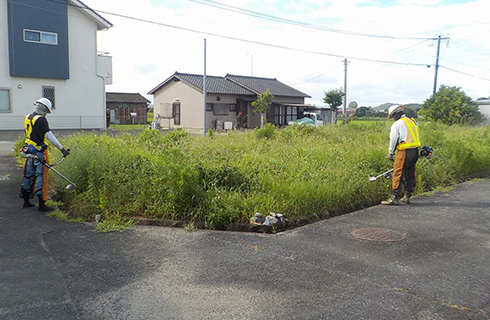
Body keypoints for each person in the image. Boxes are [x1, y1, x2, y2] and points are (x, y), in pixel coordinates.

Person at [20, 98, 70, 211]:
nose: (46, 113)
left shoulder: (27, 117)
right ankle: (42, 205)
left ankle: (26, 201)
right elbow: (49, 135)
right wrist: (61, 149)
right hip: (38, 153)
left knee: (28, 176)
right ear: (44, 109)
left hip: (28, 151)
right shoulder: (41, 120)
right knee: (41, 177)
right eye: (47, 110)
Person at [381, 104, 421, 205]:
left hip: (404, 151)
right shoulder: (412, 121)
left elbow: (393, 139)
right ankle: (407, 196)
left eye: (393, 116)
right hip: (415, 151)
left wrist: (390, 152)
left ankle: (394, 198)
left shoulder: (397, 124)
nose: (393, 118)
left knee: (398, 173)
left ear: (395, 114)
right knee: (410, 173)